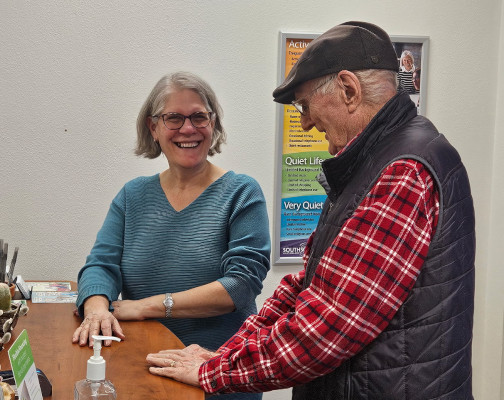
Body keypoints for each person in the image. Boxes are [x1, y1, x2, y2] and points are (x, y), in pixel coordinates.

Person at [146, 21, 475, 400]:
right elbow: (310, 285)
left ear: (349, 90)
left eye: (304, 105)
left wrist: (214, 372)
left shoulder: (404, 170)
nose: (304, 121)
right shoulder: (372, 161)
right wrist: (226, 354)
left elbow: (328, 327)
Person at [73, 71, 271, 399]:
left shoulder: (241, 193)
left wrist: (148, 306)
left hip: (217, 374)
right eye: (173, 118)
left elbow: (240, 285)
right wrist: (96, 309)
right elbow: (100, 266)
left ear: (214, 124)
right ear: (153, 128)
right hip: (144, 369)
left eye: (199, 117)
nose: (188, 129)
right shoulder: (132, 195)